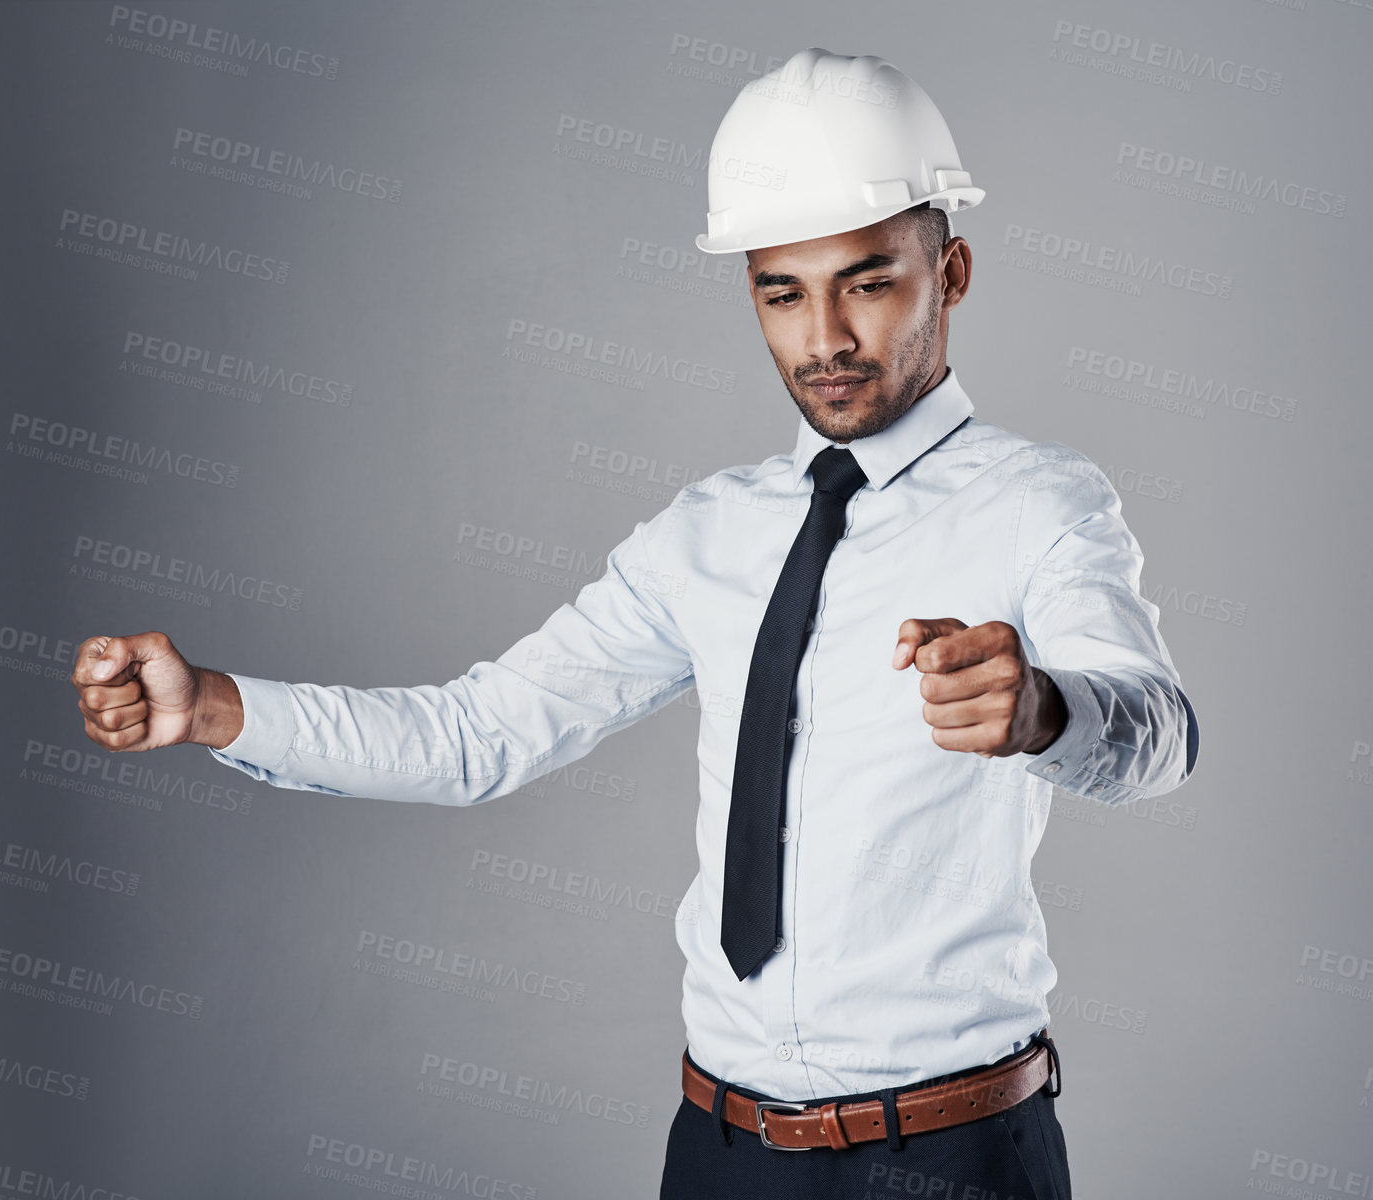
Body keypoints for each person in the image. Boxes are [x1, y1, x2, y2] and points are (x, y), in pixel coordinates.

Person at [71, 49, 1197, 1198]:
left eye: (867, 282)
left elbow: (1159, 733)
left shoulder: (1039, 503)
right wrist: (213, 707)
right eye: (781, 292)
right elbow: (479, 734)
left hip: (956, 1156)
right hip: (720, 1154)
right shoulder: (706, 535)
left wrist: (1045, 712)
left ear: (950, 271)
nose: (825, 341)